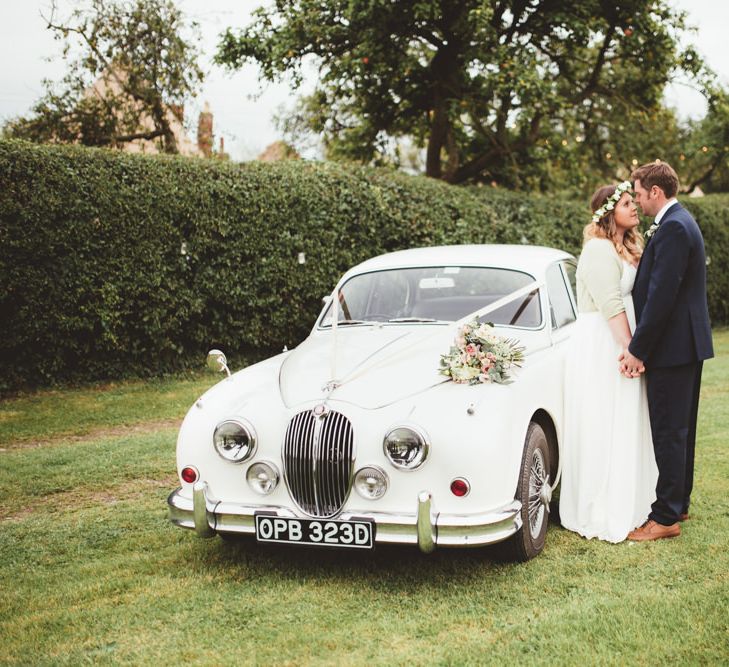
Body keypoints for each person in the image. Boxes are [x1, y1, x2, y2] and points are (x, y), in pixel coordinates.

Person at [560, 181, 658, 543]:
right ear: (608, 211)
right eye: (628, 202)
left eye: (635, 201)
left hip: (620, 337)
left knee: (625, 417)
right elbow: (611, 306)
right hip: (604, 342)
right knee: (604, 418)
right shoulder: (598, 251)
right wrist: (631, 350)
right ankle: (600, 505)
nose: (635, 207)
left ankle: (632, 496)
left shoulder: (625, 246)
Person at [620, 161, 713, 542]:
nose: (639, 202)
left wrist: (638, 349)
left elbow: (661, 297)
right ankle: (680, 502)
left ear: (655, 192)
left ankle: (665, 517)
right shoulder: (679, 222)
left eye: (640, 194)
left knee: (669, 430)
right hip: (684, 343)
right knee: (681, 429)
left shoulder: (674, 226)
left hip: (672, 346)